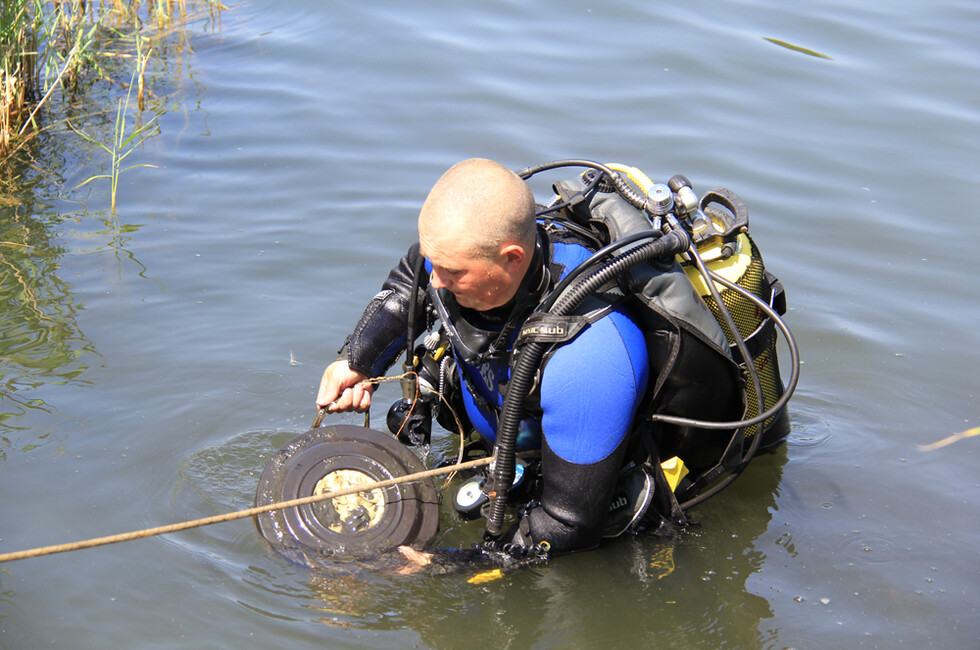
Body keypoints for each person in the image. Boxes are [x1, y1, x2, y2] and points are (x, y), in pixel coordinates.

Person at [315, 158, 747, 560]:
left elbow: (569, 527)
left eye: (452, 272)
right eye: (434, 262)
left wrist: (445, 565)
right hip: (510, 430)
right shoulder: (462, 256)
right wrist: (358, 360)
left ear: (512, 258)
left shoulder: (589, 361)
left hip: (579, 480)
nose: (436, 282)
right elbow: (412, 278)